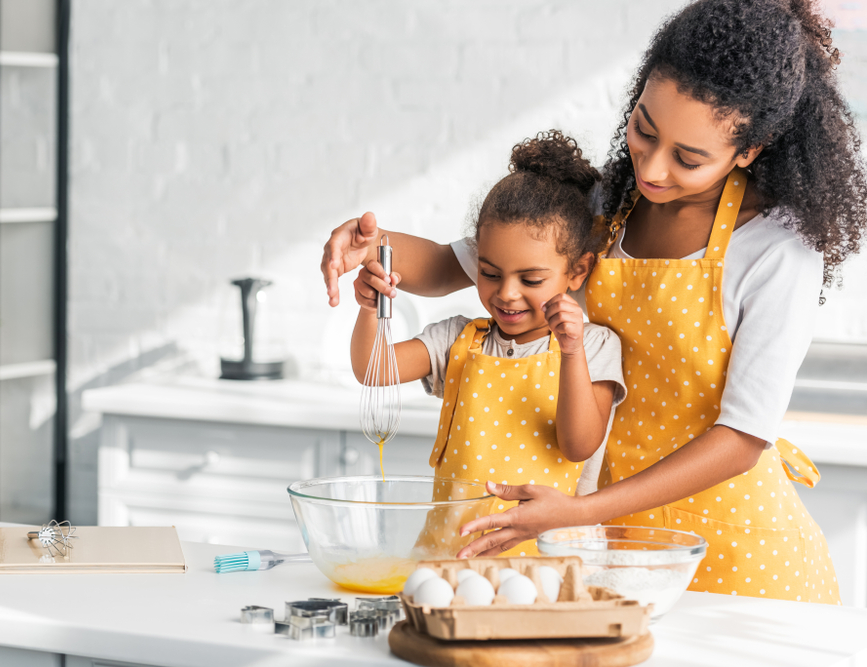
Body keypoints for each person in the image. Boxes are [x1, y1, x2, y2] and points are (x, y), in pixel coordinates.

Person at [324, 0, 867, 604]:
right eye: (644, 129)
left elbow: (741, 438)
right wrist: (373, 244)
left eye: (688, 158)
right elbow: (460, 265)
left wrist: (577, 510)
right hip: (603, 544)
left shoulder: (775, 248)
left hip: (734, 556)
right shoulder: (606, 204)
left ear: (749, 149)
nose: (653, 169)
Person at [351, 132, 626, 556]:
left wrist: (570, 352)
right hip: (449, 560)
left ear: (577, 272)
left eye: (530, 280)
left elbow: (579, 445)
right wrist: (371, 308)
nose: (506, 294)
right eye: (490, 273)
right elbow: (374, 367)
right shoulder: (458, 340)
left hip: (554, 566)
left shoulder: (594, 347)